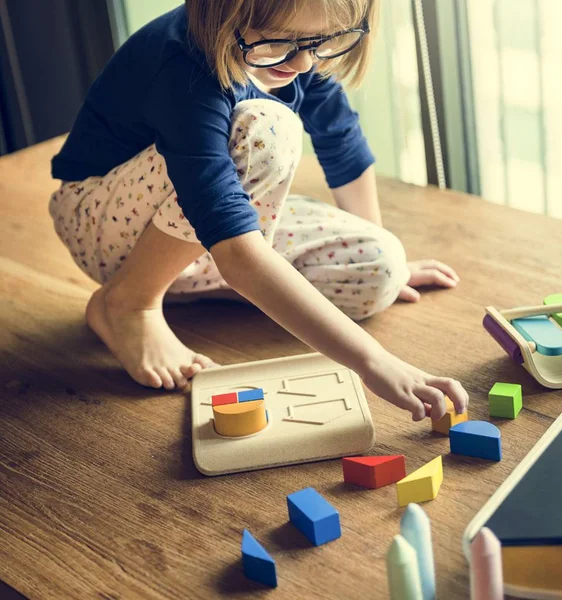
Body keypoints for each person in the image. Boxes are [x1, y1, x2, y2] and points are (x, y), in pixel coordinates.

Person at [49, 0, 468, 422]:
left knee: (382, 267)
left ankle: (228, 286)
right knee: (267, 130)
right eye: (283, 41)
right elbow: (236, 252)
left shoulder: (299, 46)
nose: (304, 62)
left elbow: (341, 141)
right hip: (104, 223)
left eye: (322, 42)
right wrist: (374, 362)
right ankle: (130, 301)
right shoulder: (185, 66)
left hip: (201, 221)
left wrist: (383, 245)